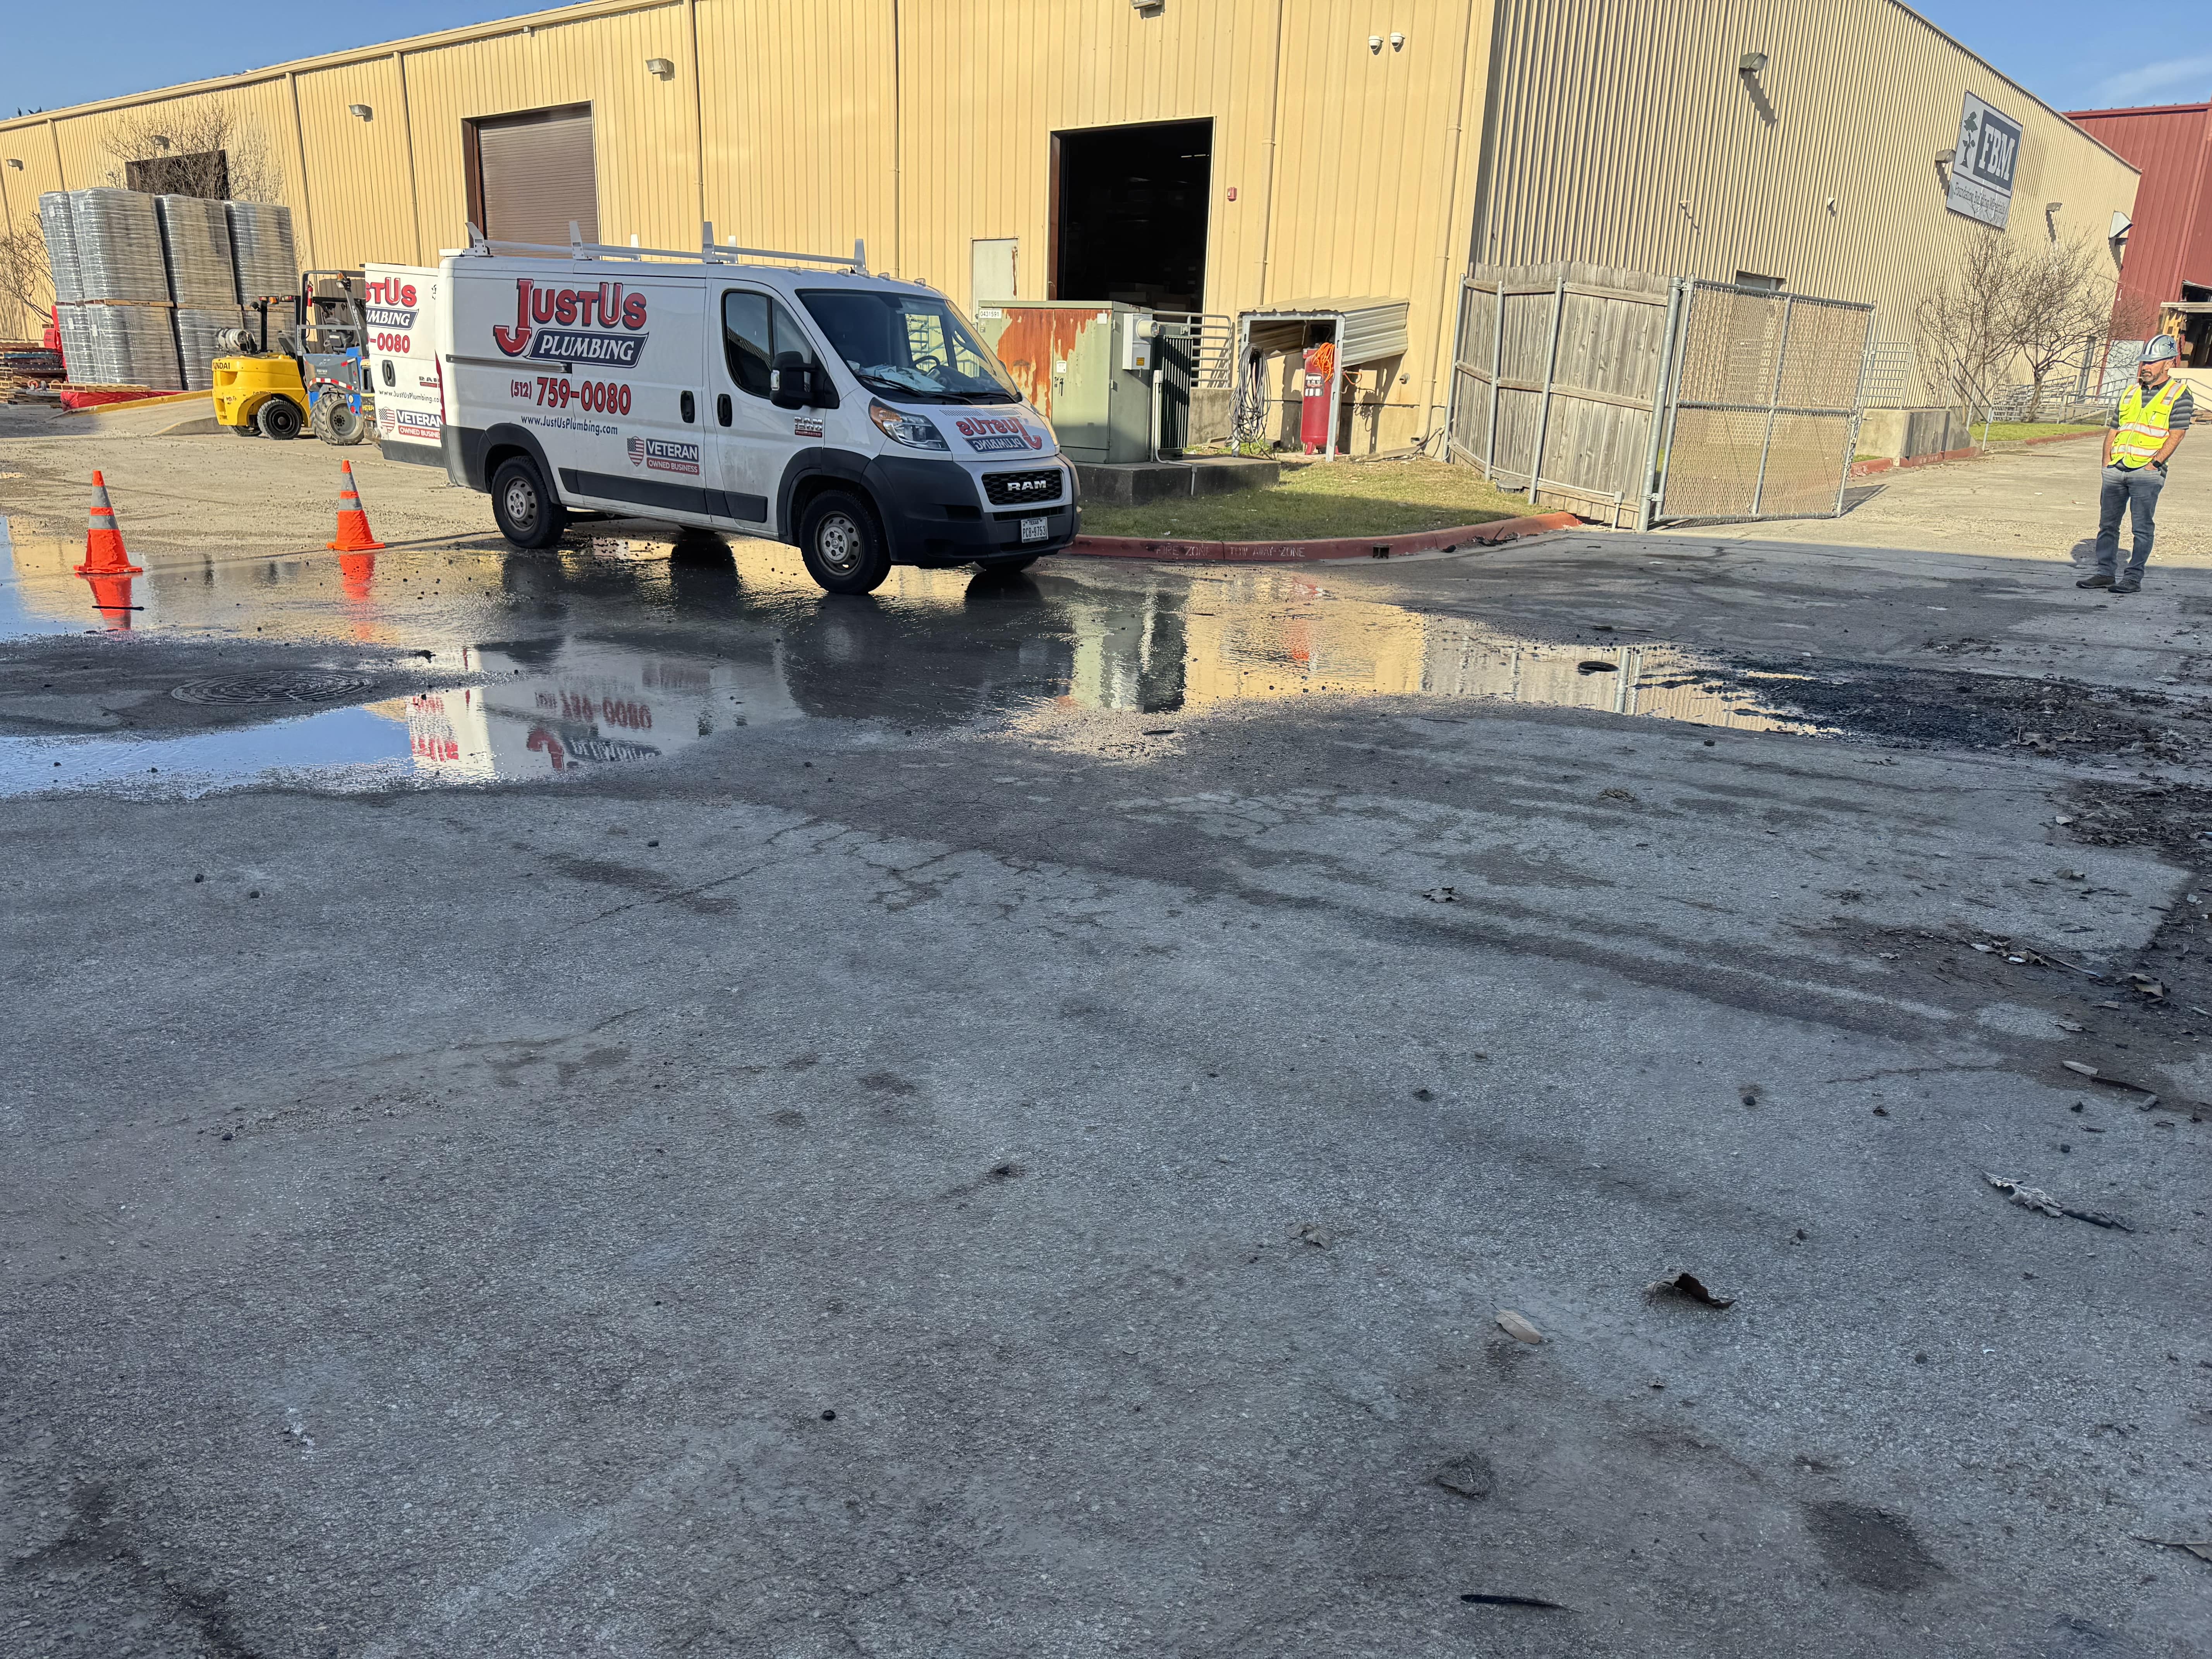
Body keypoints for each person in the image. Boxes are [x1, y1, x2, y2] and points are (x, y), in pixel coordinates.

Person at [2079, 333, 2191, 594]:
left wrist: (2155, 464)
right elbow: (2114, 429)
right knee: (2108, 524)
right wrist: (2107, 461)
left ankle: (2132, 578)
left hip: (2147, 472)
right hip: (2116, 469)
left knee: (2141, 527)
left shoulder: (2179, 394)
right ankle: (2105, 573)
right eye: (2144, 363)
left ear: (2168, 363)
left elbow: (2177, 434)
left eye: (2153, 362)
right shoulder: (2130, 392)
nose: (2146, 367)